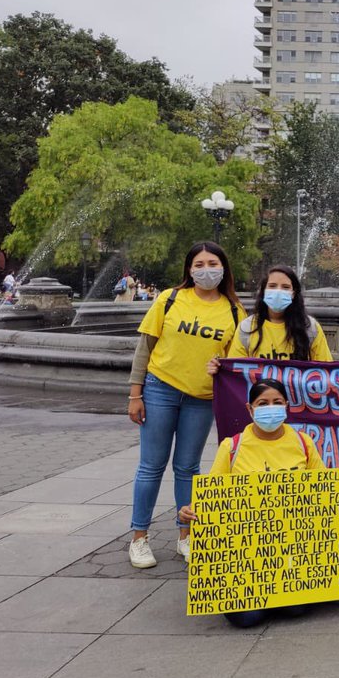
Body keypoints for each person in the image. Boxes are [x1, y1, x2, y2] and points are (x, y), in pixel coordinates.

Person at [177, 378, 339, 628]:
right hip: (245, 554)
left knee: (295, 609)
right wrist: (189, 512)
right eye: (263, 403)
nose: (270, 408)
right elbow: (210, 500)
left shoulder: (303, 442)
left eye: (277, 402)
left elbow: (326, 491)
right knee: (246, 618)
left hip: (293, 552)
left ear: (286, 407)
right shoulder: (232, 447)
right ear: (250, 409)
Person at [127, 242, 245, 570]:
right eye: (199, 263)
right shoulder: (170, 299)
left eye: (213, 263)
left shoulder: (235, 311)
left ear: (224, 268)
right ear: (189, 269)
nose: (206, 269)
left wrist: (223, 367)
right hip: (160, 389)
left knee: (188, 469)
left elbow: (236, 362)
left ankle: (187, 535)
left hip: (202, 399)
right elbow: (144, 348)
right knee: (151, 466)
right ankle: (139, 537)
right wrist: (135, 395)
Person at [225, 265, 332, 362]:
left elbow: (326, 371)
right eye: (272, 286)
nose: (278, 291)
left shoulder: (310, 328)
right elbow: (235, 373)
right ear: (263, 291)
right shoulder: (247, 328)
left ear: (293, 293)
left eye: (285, 287)